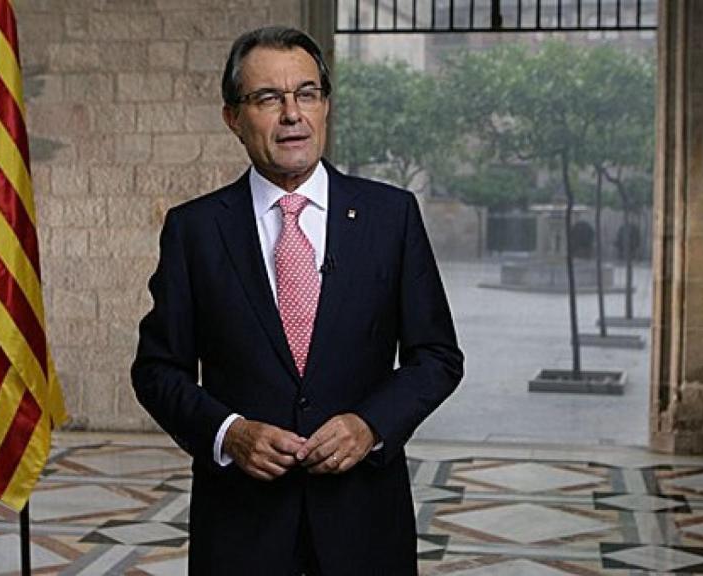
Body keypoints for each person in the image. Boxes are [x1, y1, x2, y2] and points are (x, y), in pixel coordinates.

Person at [131, 26, 463, 575]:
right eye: (268, 98)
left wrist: (371, 425)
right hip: (241, 530)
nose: (292, 114)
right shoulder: (195, 230)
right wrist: (229, 433)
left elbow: (437, 356)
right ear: (233, 118)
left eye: (306, 93)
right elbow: (156, 370)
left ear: (325, 105)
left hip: (364, 525)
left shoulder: (391, 216)